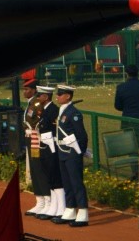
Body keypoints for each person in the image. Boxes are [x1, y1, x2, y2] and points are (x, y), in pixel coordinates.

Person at [52, 85, 89, 227]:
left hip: (72, 152)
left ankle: (83, 212)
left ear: (68, 96)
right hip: (62, 151)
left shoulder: (73, 113)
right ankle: (70, 209)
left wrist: (80, 151)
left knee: (76, 182)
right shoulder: (63, 111)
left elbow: (82, 135)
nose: (57, 96)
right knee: (67, 182)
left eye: (60, 94)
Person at [34, 85, 65, 221]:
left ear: (46, 97)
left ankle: (61, 208)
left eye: (39, 95)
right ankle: (55, 206)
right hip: (45, 146)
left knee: (55, 176)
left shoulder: (53, 111)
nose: (37, 98)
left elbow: (55, 130)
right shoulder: (44, 110)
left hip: (52, 147)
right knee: (50, 177)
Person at [22, 79, 50, 216]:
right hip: (30, 137)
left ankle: (47, 200)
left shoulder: (37, 103)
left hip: (36, 138)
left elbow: (38, 121)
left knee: (39, 169)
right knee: (34, 169)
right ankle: (40, 200)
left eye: (27, 89)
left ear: (34, 90)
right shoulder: (31, 103)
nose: (24, 92)